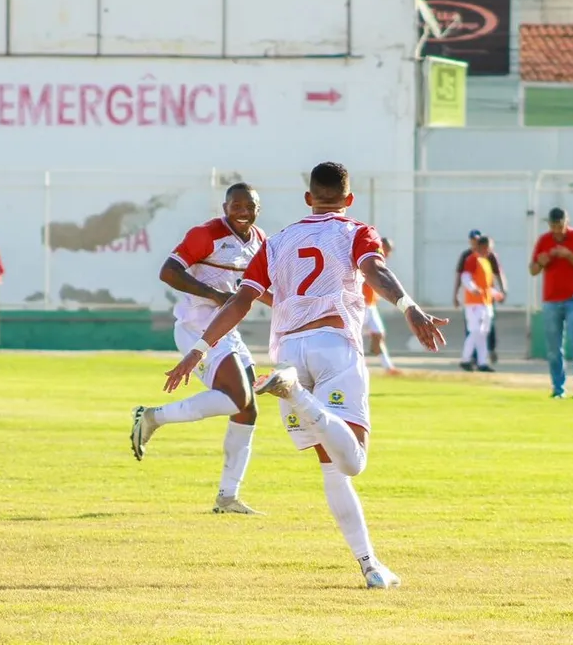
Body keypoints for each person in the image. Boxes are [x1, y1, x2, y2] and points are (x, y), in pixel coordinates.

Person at [163, 161, 448, 589]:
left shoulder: (275, 241)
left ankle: (370, 565)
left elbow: (241, 302)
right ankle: (297, 395)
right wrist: (410, 307)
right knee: (352, 463)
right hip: (333, 346)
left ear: (308, 198)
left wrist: (199, 348)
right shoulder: (356, 231)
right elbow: (374, 271)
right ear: (348, 199)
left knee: (333, 470)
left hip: (290, 351)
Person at [130, 183, 269, 515]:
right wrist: (214, 295)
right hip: (195, 325)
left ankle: (228, 497)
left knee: (247, 410)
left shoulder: (261, 241)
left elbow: (257, 288)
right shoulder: (205, 234)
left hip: (227, 327)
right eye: (236, 205)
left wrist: (291, 309)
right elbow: (168, 272)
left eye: (248, 205)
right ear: (225, 207)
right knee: (239, 397)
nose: (242, 211)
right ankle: (152, 417)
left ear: (257, 209)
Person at [529, 207, 573, 400]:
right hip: (551, 300)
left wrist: (569, 255)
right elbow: (533, 270)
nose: (557, 231)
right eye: (553, 226)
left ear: (567, 222)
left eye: (560, 226)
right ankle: (558, 388)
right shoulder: (543, 240)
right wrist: (541, 262)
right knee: (554, 347)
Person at [454, 230, 506, 365]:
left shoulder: (486, 261)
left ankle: (482, 362)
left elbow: (486, 285)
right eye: (489, 247)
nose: (490, 250)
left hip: (486, 302)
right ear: (483, 246)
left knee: (483, 333)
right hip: (474, 303)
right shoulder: (473, 259)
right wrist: (472, 288)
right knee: (475, 331)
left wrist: (497, 293)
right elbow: (465, 277)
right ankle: (466, 359)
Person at [363, 237, 401, 375]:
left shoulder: (379, 262)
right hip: (360, 304)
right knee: (353, 339)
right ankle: (356, 366)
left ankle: (388, 367)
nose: (388, 253)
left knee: (379, 334)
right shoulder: (370, 260)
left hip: (370, 305)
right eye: (387, 249)